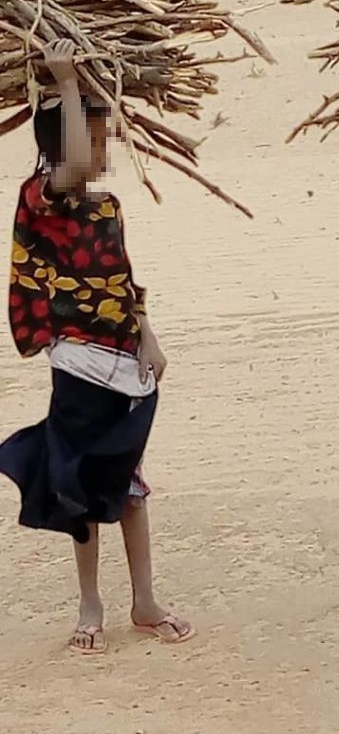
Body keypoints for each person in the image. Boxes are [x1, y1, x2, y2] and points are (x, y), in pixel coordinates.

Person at [0, 40, 192, 655]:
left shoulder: (107, 207)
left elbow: (123, 279)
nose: (103, 150)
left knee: (128, 481)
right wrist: (67, 82)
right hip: (79, 362)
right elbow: (72, 164)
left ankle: (144, 600)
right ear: (64, 145)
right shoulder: (40, 200)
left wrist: (148, 336)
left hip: (124, 361)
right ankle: (91, 603)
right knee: (80, 483)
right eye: (94, 138)